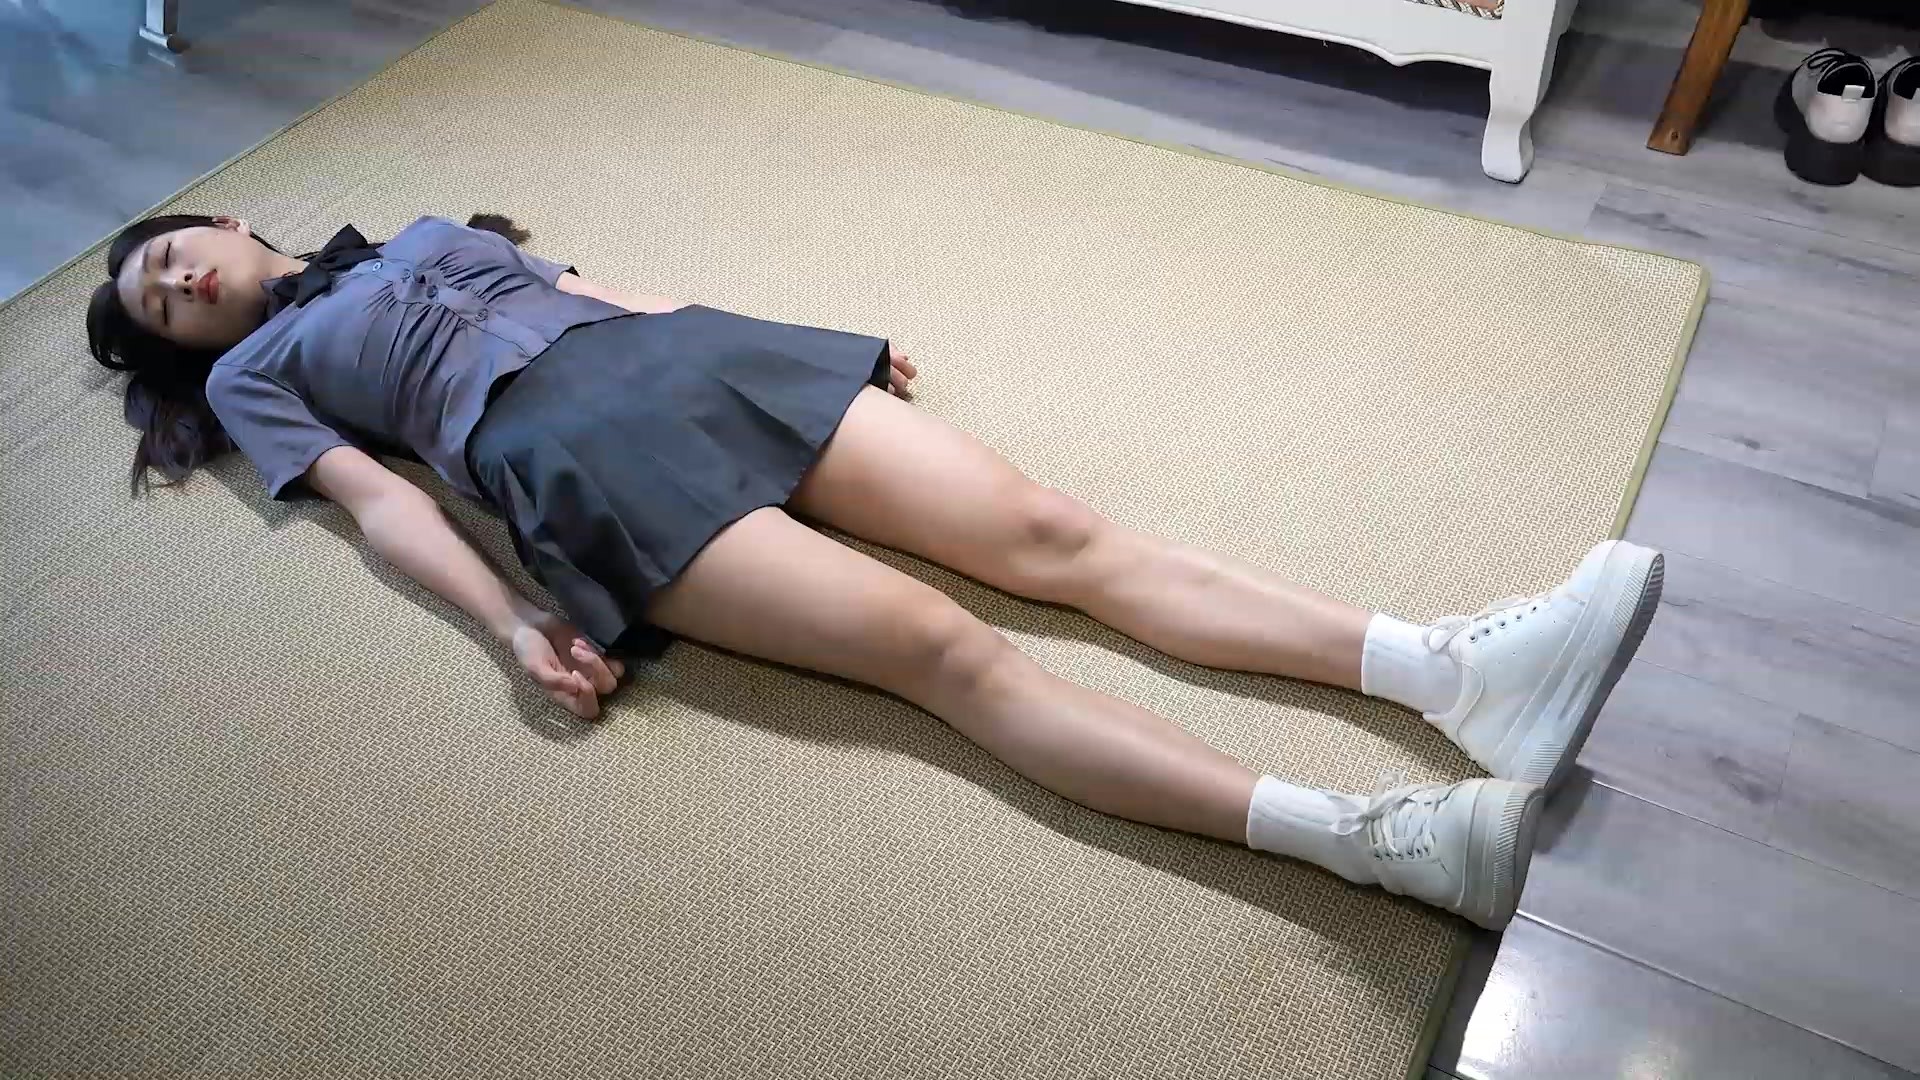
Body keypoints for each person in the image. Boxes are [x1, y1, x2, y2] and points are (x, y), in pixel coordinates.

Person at [85, 211, 1663, 930]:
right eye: (161, 303)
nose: (180, 280)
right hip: (567, 460)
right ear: (190, 346)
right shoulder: (259, 377)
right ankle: (1376, 844)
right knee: (945, 652)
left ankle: (1460, 675)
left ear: (227, 220)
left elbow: (608, 292)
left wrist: (796, 344)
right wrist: (509, 620)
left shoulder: (428, 225)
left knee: (1056, 536)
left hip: (687, 362)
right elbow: (383, 506)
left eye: (170, 253)